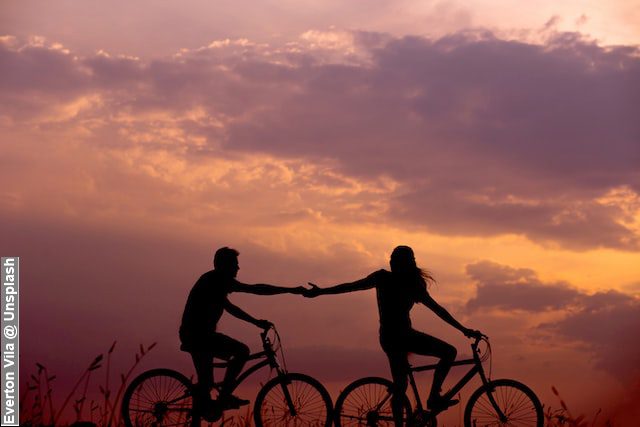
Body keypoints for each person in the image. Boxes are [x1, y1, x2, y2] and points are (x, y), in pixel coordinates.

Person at [304, 245, 483, 426]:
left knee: (403, 384)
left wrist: (463, 329)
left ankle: (425, 403)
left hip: (395, 337)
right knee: (445, 355)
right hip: (398, 337)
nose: (391, 262)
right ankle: (433, 398)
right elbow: (350, 287)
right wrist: (321, 291)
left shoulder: (407, 283)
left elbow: (438, 310)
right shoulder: (388, 279)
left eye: (395, 259)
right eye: (391, 259)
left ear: (406, 263)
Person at [180, 247, 305, 418]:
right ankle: (223, 397)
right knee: (241, 352)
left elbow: (230, 308)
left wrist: (256, 322)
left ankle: (208, 403)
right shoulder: (216, 280)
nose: (238, 268)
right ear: (225, 265)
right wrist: (290, 289)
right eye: (235, 265)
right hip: (198, 336)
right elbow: (256, 289)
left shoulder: (214, 282)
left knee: (206, 383)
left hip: (200, 336)